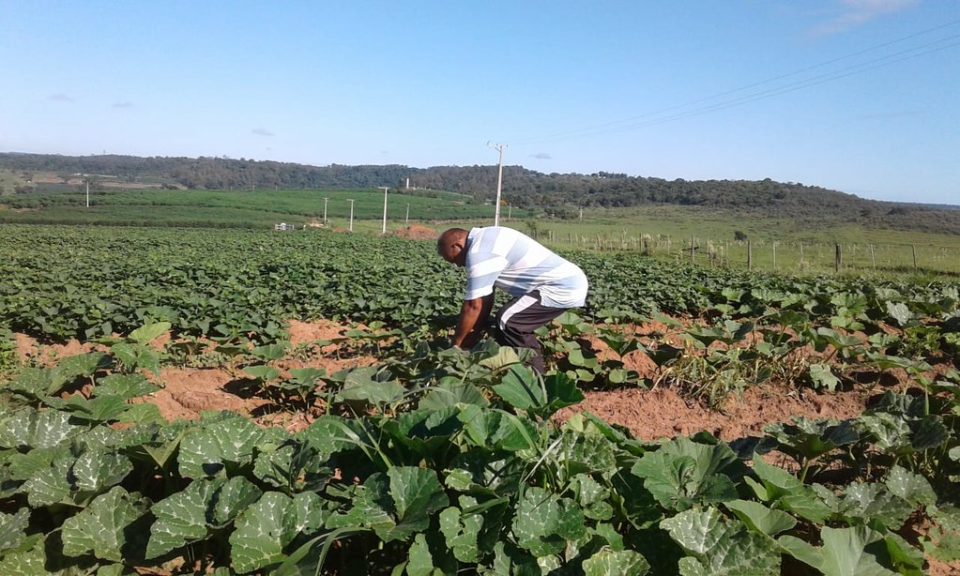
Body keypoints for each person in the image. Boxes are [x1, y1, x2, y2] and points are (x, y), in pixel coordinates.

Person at [437, 226, 589, 373]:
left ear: (456, 245)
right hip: (565, 282)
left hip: (561, 287)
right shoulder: (485, 237)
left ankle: (535, 381)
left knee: (509, 321)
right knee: (504, 323)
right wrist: (473, 332)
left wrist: (457, 345)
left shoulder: (480, 253)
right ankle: (511, 371)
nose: (457, 265)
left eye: (453, 259)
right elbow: (484, 300)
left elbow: (473, 305)